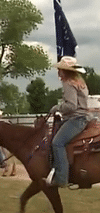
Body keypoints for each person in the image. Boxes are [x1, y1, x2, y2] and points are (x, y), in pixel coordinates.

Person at [45, 56, 91, 187]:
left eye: (60, 69)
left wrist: (57, 107)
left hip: (76, 119)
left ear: (65, 71)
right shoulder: (80, 82)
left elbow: (71, 106)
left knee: (57, 143)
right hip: (83, 117)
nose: (58, 72)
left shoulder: (68, 83)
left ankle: (61, 177)